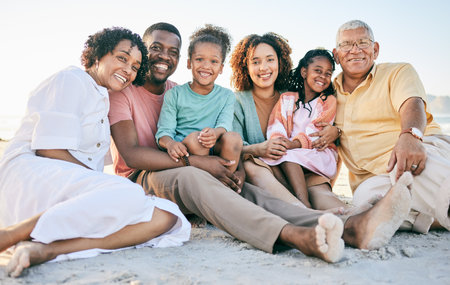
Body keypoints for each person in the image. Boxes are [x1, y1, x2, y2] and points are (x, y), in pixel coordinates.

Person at [109, 22, 422, 260]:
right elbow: (133, 157)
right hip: (141, 180)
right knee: (198, 175)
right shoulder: (123, 93)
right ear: (142, 49)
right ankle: (294, 235)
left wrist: (222, 166)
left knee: (242, 188)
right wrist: (198, 161)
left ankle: (338, 224)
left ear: (183, 59)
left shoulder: (177, 90)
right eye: (156, 48)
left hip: (189, 171)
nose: (165, 56)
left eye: (173, 51)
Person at [0, 27, 190, 278]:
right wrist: (103, 187)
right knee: (129, 192)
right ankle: (13, 233)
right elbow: (49, 148)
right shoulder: (72, 79)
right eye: (122, 58)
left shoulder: (103, 100)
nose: (128, 70)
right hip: (30, 174)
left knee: (165, 217)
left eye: (135, 66)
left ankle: (47, 250)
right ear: (98, 56)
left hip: (68, 187)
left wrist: (101, 190)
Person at [316, 19, 450, 233]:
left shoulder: (397, 72)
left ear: (375, 49)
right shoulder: (326, 95)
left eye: (362, 42)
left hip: (420, 145)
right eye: (346, 45)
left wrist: (410, 136)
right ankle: (435, 219)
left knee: (408, 167)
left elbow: (411, 104)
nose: (355, 50)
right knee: (365, 202)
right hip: (375, 177)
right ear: (336, 54)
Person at [231, 34, 344, 210]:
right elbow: (232, 146)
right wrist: (258, 148)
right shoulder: (237, 102)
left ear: (279, 63)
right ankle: (301, 210)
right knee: (252, 165)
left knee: (324, 196)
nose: (264, 67)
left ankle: (353, 217)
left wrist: (336, 132)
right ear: (245, 66)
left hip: (305, 166)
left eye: (270, 60)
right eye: (255, 61)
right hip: (269, 172)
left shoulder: (290, 95)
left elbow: (317, 123)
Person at [156, 24, 242, 173]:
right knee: (198, 141)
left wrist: (215, 133)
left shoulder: (227, 95)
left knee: (234, 138)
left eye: (214, 61)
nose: (206, 66)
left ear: (221, 68)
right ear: (189, 63)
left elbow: (225, 124)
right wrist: (170, 144)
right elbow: (164, 132)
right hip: (186, 152)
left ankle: (227, 181)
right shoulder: (175, 94)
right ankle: (205, 182)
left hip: (215, 147)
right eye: (200, 59)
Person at [260, 49, 339, 209]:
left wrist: (293, 144)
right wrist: (279, 142)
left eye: (327, 73)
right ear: (304, 72)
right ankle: (292, 197)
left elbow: (317, 130)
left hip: (319, 152)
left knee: (289, 156)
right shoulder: (287, 98)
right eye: (317, 70)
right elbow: (277, 122)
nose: (322, 77)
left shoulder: (328, 101)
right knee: (268, 160)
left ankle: (304, 204)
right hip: (290, 149)